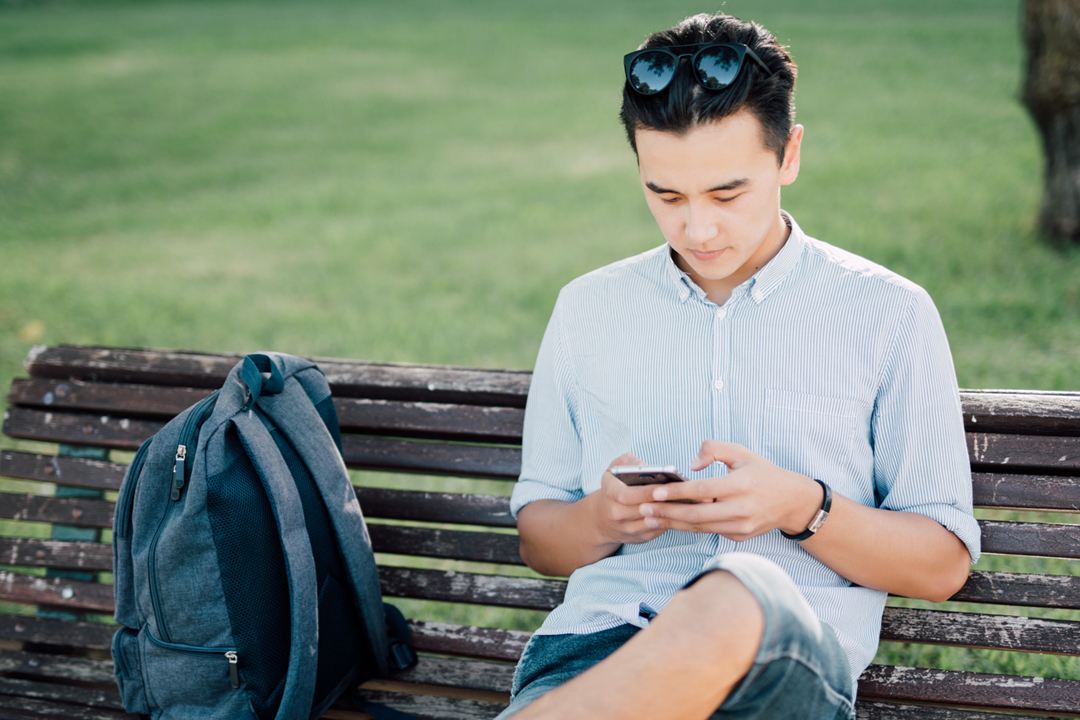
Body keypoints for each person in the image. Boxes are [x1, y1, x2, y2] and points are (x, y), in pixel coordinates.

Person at [498, 11, 982, 720]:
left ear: (788, 156)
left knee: (737, 588)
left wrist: (800, 507)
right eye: (665, 195)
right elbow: (542, 538)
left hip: (778, 670)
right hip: (595, 653)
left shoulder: (888, 312)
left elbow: (941, 563)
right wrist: (605, 517)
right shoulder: (588, 308)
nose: (698, 228)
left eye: (728, 194)